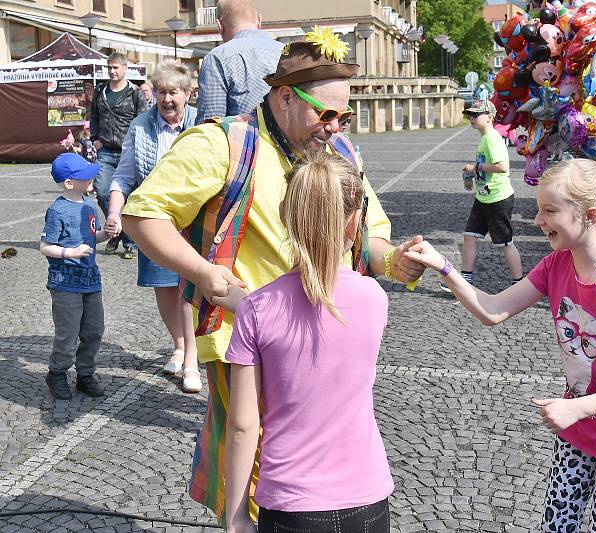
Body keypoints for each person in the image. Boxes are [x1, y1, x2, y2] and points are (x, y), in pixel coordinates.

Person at [121, 33, 426, 522]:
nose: (335, 127)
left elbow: (367, 235)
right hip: (250, 337)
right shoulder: (220, 144)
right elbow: (142, 214)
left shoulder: (341, 150)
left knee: (319, 470)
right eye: (325, 114)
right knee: (257, 473)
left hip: (327, 336)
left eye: (343, 116)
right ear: (284, 96)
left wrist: (397, 263)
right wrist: (204, 272)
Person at [405, 158, 596, 533]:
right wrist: (443, 267)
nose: (536, 221)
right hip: (578, 426)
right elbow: (493, 310)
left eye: (549, 211)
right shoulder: (556, 265)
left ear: (590, 215)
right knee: (557, 527)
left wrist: (578, 408)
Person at [225, 151, 393, 533]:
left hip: (289, 502)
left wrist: (236, 517)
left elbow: (242, 425)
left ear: (284, 217)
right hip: (366, 498)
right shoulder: (374, 298)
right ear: (354, 223)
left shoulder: (255, 312)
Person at [104, 60, 201, 393]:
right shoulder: (141, 126)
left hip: (194, 216)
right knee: (164, 285)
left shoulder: (202, 123)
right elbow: (124, 175)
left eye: (173, 92)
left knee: (190, 285)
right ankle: (179, 344)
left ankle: (192, 357)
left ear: (188, 94)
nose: (167, 99)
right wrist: (115, 213)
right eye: (161, 92)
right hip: (155, 215)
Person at [40, 153, 112, 400]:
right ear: (69, 182)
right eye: (85, 174)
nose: (91, 176)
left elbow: (94, 238)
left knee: (94, 330)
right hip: (65, 283)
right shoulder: (57, 210)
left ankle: (85, 374)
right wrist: (71, 252)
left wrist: (107, 234)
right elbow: (45, 246)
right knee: (68, 334)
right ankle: (57, 373)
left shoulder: (90, 206)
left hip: (91, 280)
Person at [454, 99, 523, 290]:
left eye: (476, 115)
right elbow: (486, 167)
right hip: (484, 197)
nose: (472, 118)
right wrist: (472, 176)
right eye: (471, 115)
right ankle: (465, 279)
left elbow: (503, 167)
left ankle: (519, 282)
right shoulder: (485, 137)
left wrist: (475, 167)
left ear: (490, 117)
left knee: (505, 243)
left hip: (498, 199)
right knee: (469, 236)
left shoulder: (492, 138)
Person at [90, 52, 148, 258]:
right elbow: (94, 116)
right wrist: (94, 137)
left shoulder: (135, 93)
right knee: (103, 192)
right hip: (105, 150)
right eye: (110, 68)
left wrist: (139, 145)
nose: (112, 71)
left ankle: (129, 240)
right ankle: (114, 229)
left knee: (130, 197)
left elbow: (144, 120)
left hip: (128, 152)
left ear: (125, 68)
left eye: (116, 67)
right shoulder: (100, 91)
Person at [194, 0, 284, 125]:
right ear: (259, 20)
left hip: (244, 142)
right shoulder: (286, 52)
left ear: (220, 26)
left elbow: (209, 126)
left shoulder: (217, 58)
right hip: (289, 142)